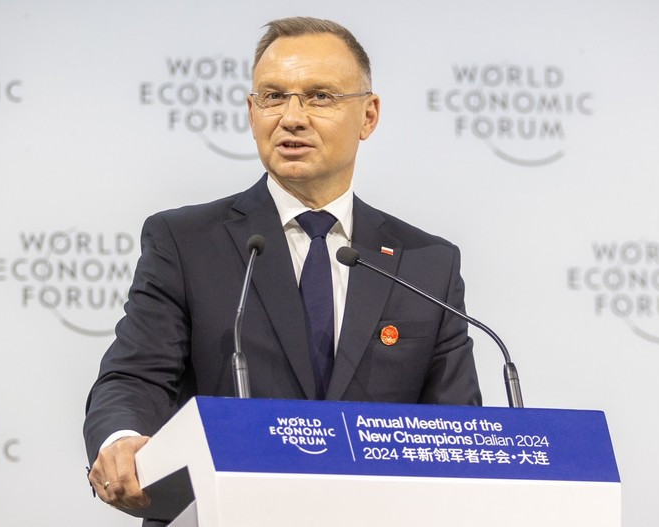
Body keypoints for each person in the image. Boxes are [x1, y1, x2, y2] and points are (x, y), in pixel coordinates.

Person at [84, 16, 481, 520]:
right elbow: (134, 377)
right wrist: (121, 438)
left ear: (369, 115)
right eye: (273, 97)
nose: (292, 117)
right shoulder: (185, 242)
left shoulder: (427, 263)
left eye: (320, 97)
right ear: (252, 112)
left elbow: (457, 429)